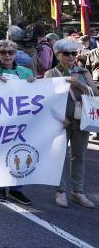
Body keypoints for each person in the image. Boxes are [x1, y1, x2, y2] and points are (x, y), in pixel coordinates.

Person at [0, 39, 34, 205]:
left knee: (20, 151)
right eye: (4, 52)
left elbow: (35, 93)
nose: (7, 55)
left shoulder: (25, 72)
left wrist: (33, 83)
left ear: (15, 54)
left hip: (20, 119)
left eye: (11, 52)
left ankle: (17, 189)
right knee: (0, 152)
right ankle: (1, 186)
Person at [45, 38, 98, 208]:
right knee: (59, 157)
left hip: (82, 120)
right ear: (58, 54)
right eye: (66, 53)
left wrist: (80, 86)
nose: (71, 57)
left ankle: (78, 192)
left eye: (74, 53)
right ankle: (60, 191)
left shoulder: (83, 72)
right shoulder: (50, 74)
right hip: (61, 122)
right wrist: (61, 118)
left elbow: (95, 95)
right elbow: (47, 101)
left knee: (79, 156)